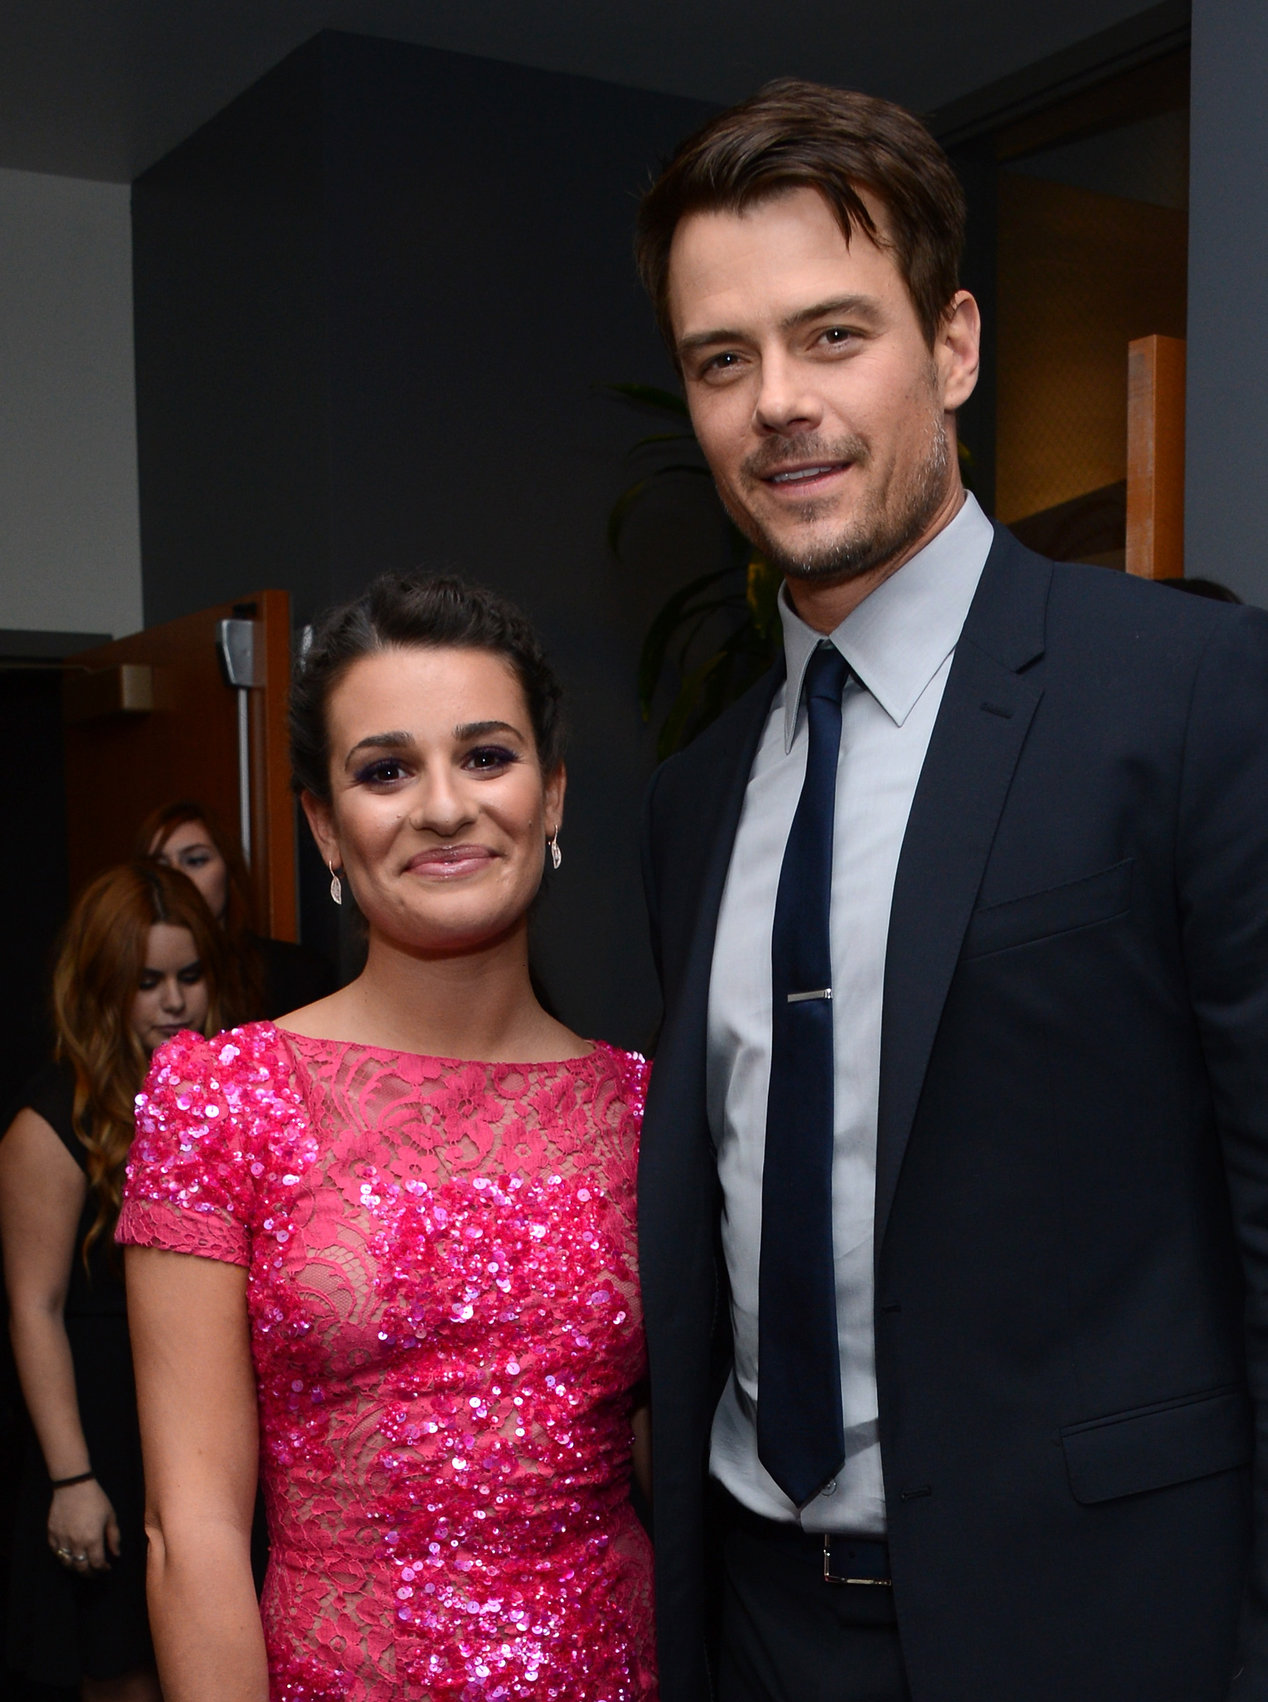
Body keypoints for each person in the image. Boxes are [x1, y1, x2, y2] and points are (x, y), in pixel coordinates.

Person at [633, 78, 1268, 1702]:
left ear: (954, 344)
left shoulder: (1184, 691)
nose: (777, 401)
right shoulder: (696, 795)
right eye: (722, 359)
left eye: (831, 334)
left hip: (1100, 1623)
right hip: (760, 1619)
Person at [117, 573, 655, 1702]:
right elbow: (191, 1530)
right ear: (324, 820)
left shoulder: (646, 1109)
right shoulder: (220, 1096)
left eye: (487, 756)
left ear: (551, 797)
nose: (445, 806)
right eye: (386, 769)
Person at [0, 861, 227, 1701]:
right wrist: (71, 1478)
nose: (174, 1002)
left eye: (190, 977)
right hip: (104, 1442)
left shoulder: (223, 1102)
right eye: (147, 983)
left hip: (204, 1440)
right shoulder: (51, 1118)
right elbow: (34, 1307)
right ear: (103, 988)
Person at [137, 800, 337, 1020]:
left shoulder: (297, 976)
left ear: (229, 871)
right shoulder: (126, 974)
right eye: (161, 866)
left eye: (195, 860)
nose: (176, 877)